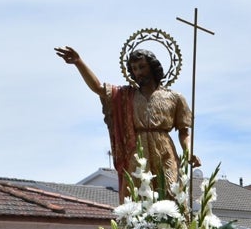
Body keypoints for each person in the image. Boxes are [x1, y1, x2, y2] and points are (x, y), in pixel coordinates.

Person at [55, 45, 199, 200]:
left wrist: (188, 152)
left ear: (152, 67)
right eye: (134, 68)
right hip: (137, 151)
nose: (138, 72)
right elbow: (98, 88)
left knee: (172, 193)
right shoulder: (126, 95)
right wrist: (78, 62)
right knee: (136, 196)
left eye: (142, 67)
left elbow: (184, 131)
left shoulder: (175, 97)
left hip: (164, 151)